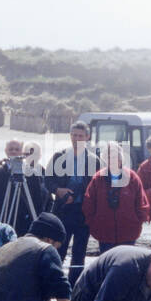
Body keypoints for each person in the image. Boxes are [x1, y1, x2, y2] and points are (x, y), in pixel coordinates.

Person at [46, 121, 101, 284]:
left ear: (87, 137)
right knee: (58, 251)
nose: (77, 139)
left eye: (81, 136)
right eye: (74, 135)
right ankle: (53, 288)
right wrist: (58, 190)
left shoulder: (94, 160)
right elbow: (47, 181)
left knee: (79, 253)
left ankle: (74, 290)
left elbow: (98, 187)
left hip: (83, 212)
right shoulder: (59, 156)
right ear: (70, 136)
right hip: (63, 211)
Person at [82, 142, 151, 252]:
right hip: (105, 234)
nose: (112, 160)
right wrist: (94, 223)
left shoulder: (132, 177)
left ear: (121, 159)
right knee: (107, 266)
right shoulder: (98, 178)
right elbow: (88, 202)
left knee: (126, 265)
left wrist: (137, 222)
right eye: (108, 157)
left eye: (114, 156)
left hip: (128, 233)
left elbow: (142, 203)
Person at [0, 138, 51, 235]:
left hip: (24, 221)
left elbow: (37, 202)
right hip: (1, 217)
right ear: (6, 151)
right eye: (11, 149)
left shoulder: (31, 173)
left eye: (17, 149)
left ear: (22, 151)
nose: (14, 152)